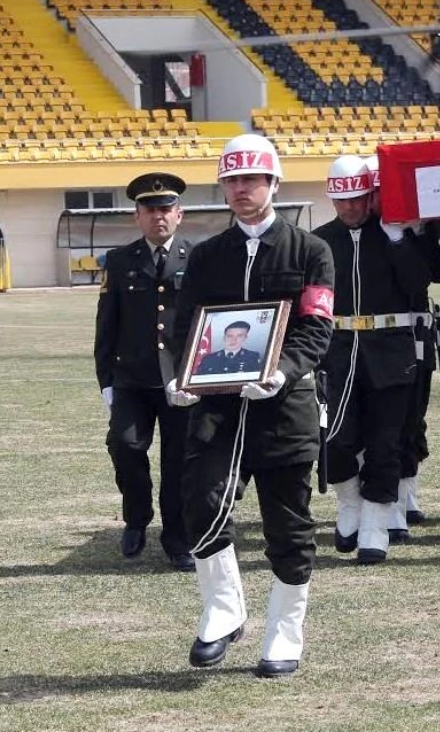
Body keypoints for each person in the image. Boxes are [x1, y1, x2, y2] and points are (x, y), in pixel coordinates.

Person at [166, 133, 334, 678]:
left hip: (285, 408)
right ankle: (223, 608)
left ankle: (285, 632)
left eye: (252, 180)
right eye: (232, 180)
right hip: (218, 409)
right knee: (202, 501)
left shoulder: (311, 251)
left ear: (273, 184)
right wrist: (183, 377)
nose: (241, 190)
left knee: (288, 525)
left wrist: (281, 372)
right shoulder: (208, 254)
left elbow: (316, 328)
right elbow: (187, 327)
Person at [312, 154, 430, 563]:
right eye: (342, 200)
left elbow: (422, 282)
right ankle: (349, 503)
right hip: (338, 351)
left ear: (371, 195)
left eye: (359, 198)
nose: (351, 208)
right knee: (336, 439)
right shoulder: (319, 240)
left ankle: (377, 523)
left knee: (386, 443)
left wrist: (401, 239)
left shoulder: (393, 235)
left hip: (389, 350)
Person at [94, 172, 195, 570]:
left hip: (182, 379)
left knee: (179, 461)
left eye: (166, 209)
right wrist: (106, 383)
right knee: (124, 444)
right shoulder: (119, 262)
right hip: (133, 378)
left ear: (179, 214)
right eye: (150, 210)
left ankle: (178, 538)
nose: (159, 217)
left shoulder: (197, 257)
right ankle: (136, 516)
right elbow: (107, 325)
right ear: (137, 216)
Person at [364, 154, 440, 537]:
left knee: (413, 417)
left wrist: (417, 233)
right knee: (382, 423)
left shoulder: (418, 227)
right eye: (380, 191)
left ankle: (407, 491)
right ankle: (386, 502)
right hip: (377, 338)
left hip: (417, 331)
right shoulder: (365, 231)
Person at [194, 320, 263, 375]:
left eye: (239, 336)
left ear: (245, 338)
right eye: (230, 336)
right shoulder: (209, 359)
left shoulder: (252, 357)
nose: (233, 340)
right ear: (224, 338)